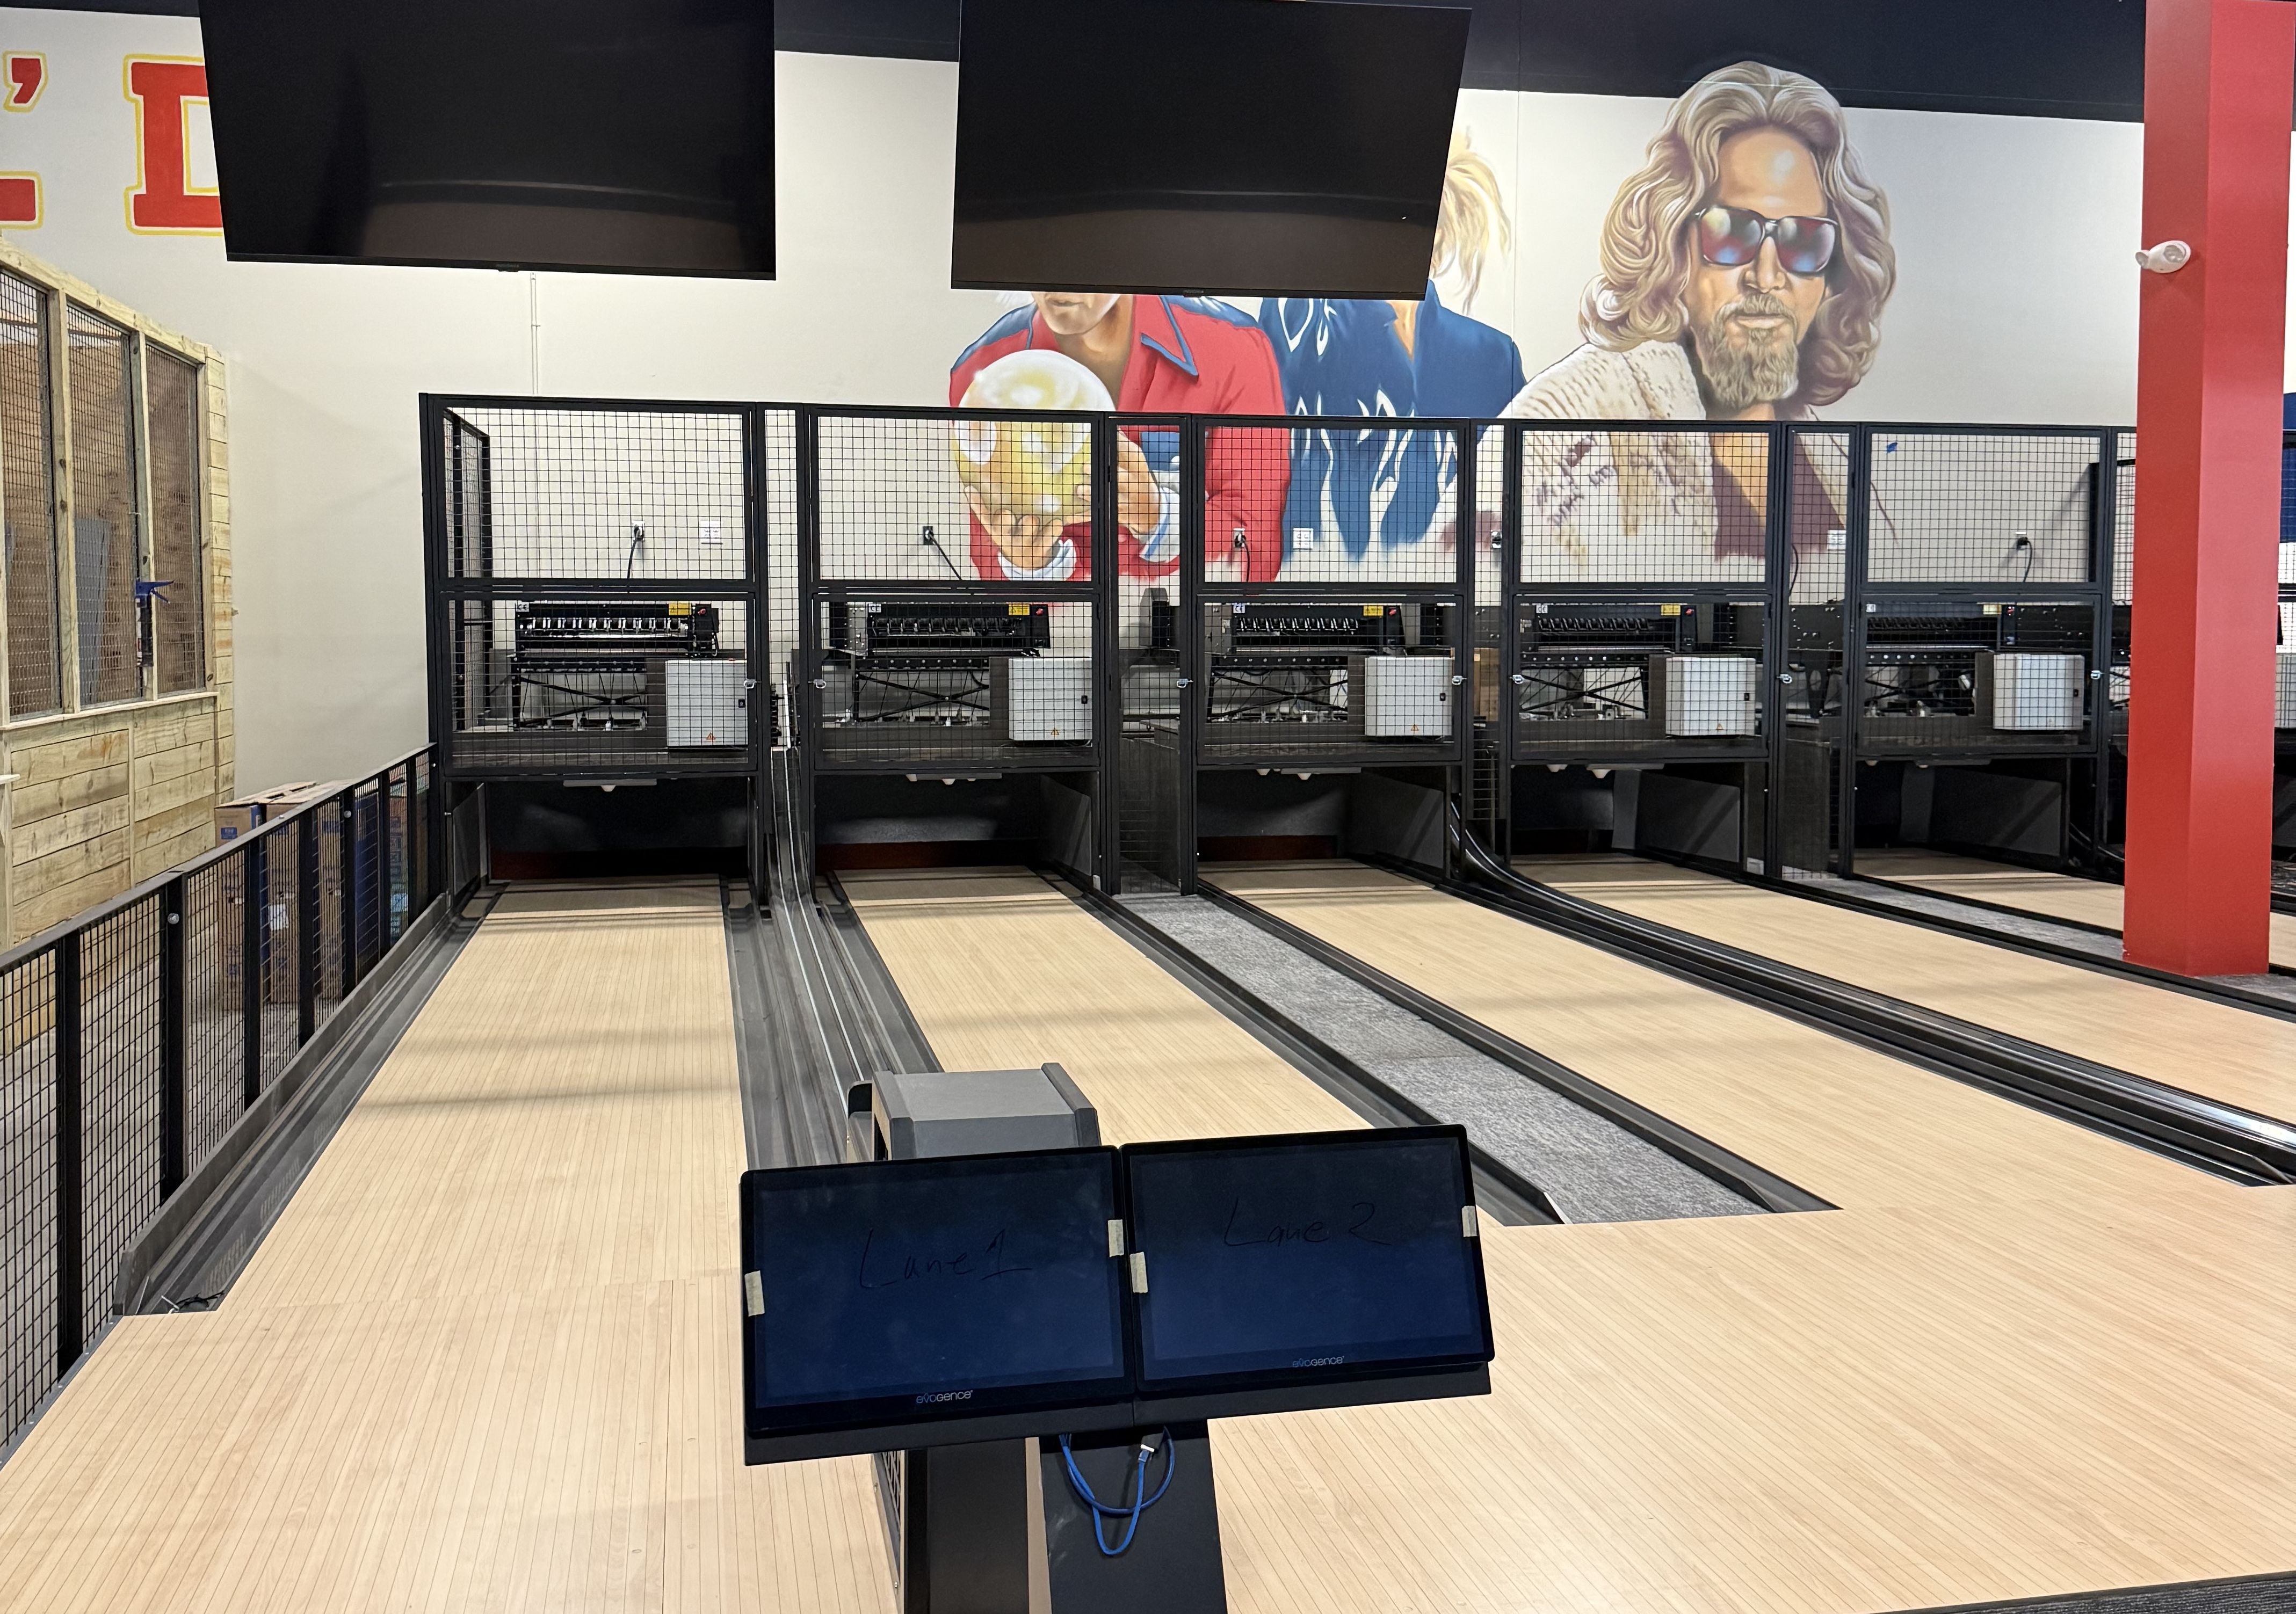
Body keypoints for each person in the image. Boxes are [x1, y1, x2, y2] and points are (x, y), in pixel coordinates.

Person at [1501, 62, 1896, 580]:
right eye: (1733, 232)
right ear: (1672, 247)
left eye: (1803, 241)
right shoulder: (1563, 420)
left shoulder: (1832, 464)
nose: (1767, 276)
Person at [1257, 134, 1525, 569]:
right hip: (1311, 570)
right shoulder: (1298, 323)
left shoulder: (1491, 356)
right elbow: (1267, 458)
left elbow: (1516, 491)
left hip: (1453, 581)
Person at [950, 292, 1291, 583]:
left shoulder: (1233, 347)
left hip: (1190, 638)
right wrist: (1031, 566)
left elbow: (1254, 549)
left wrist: (1161, 518)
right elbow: (1001, 579)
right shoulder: (981, 373)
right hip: (1070, 645)